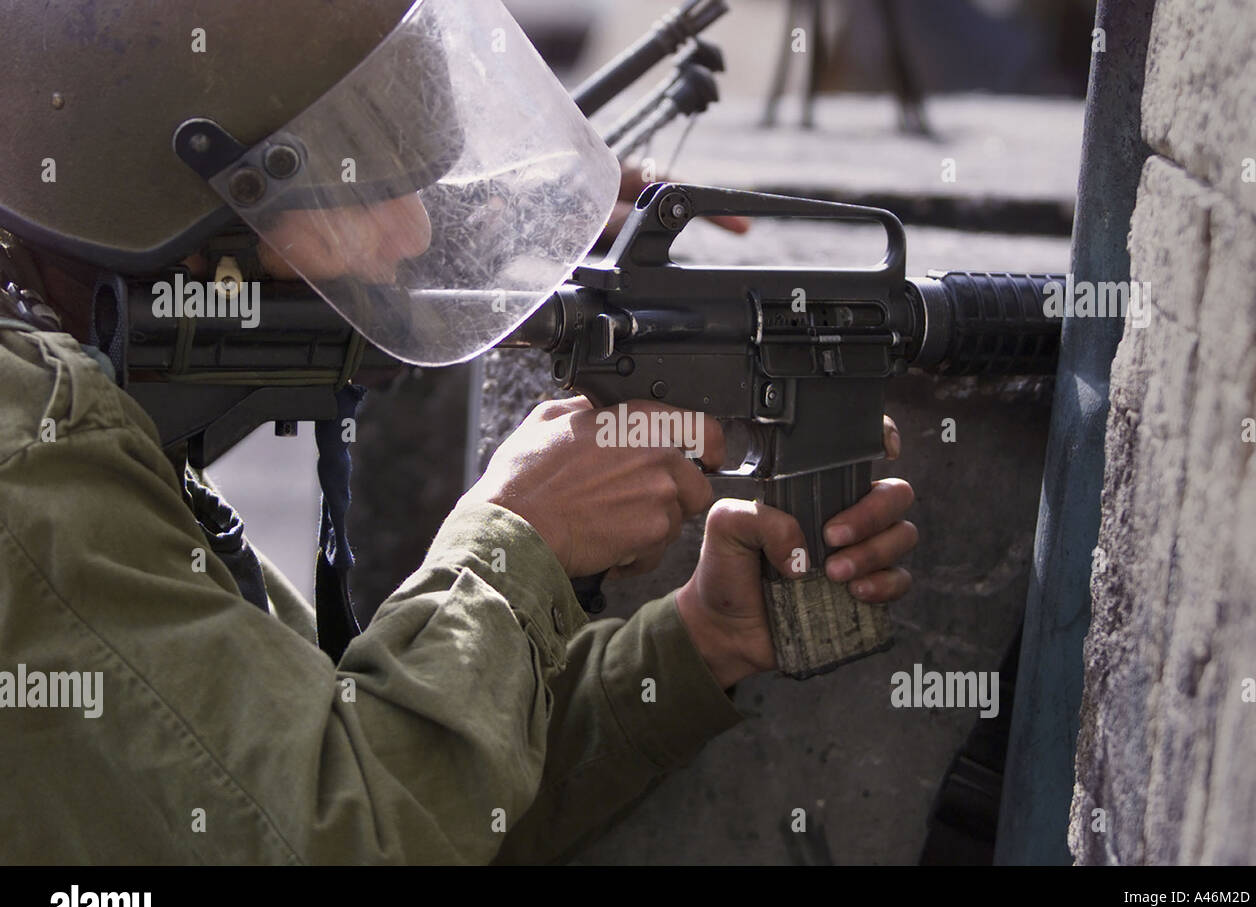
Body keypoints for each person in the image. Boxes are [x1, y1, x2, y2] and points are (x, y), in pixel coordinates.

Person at [0, 0, 916, 863]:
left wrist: (695, 644)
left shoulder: (74, 400)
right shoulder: (34, 469)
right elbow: (347, 837)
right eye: (343, 175)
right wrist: (515, 544)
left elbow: (407, 793)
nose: (412, 232)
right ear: (174, 220)